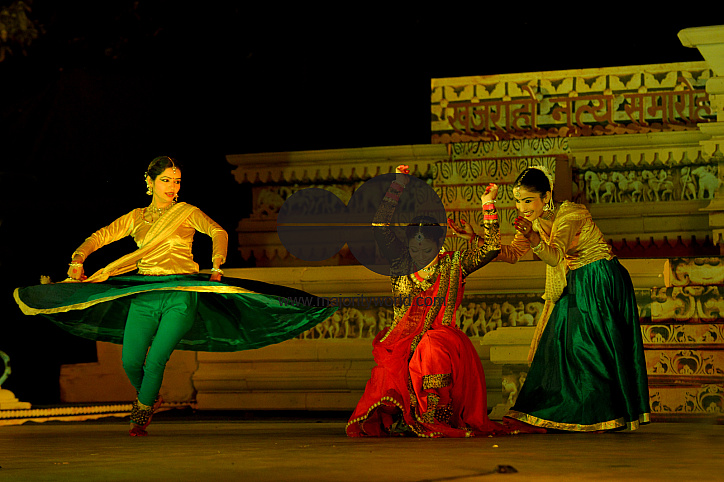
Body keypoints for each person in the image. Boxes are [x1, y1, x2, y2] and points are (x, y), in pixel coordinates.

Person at [14, 156, 336, 436]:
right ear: (150, 182)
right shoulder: (136, 218)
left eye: (177, 181)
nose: (172, 186)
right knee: (130, 361)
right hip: (145, 293)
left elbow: (218, 231)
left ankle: (140, 416)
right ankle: (150, 397)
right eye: (166, 180)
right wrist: (78, 258)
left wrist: (217, 265)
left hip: (181, 294)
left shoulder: (186, 212)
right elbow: (100, 236)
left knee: (156, 360)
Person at [346, 165, 543, 437]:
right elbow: (380, 226)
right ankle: (406, 416)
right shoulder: (401, 262)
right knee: (394, 365)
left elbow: (491, 249)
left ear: (439, 245)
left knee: (430, 347)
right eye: (414, 247)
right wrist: (397, 185)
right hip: (402, 338)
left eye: (426, 248)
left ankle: (434, 417)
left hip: (441, 338)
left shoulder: (453, 264)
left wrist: (488, 205)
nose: (419, 253)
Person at [450, 165, 650, 432]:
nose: (522, 208)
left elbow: (555, 256)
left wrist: (533, 236)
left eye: (528, 200)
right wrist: (475, 237)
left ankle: (602, 415)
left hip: (600, 277)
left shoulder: (571, 214)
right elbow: (512, 254)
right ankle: (577, 413)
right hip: (577, 279)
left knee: (587, 348)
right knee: (560, 345)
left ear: (546, 197)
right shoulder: (534, 220)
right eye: (518, 201)